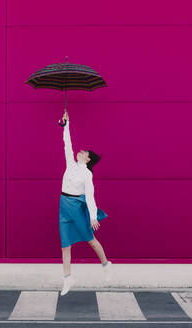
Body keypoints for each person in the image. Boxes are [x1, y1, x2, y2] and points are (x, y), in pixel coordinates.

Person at [57, 111, 112, 296]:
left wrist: (93, 216)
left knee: (90, 240)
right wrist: (66, 124)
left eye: (84, 152)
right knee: (65, 245)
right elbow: (67, 144)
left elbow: (90, 196)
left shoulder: (87, 174)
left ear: (87, 159)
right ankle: (67, 278)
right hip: (63, 205)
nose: (80, 152)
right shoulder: (70, 164)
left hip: (76, 208)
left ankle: (106, 264)